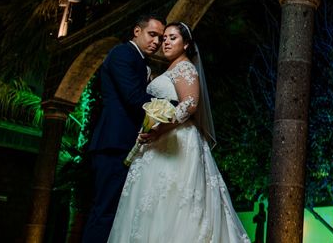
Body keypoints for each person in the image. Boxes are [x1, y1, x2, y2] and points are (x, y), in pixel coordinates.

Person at [107, 21, 250, 242]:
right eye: (164, 38)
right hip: (157, 142)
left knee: (177, 201)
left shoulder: (185, 67)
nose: (165, 43)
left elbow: (190, 103)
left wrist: (162, 127)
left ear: (186, 44)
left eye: (172, 38)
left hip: (177, 141)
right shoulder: (168, 69)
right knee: (151, 204)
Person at [82, 14, 166, 243]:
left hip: (126, 143)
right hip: (113, 142)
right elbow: (132, 97)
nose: (157, 42)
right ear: (137, 31)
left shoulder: (139, 60)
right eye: (152, 35)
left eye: (160, 37)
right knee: (105, 211)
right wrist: (172, 108)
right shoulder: (122, 54)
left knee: (118, 212)